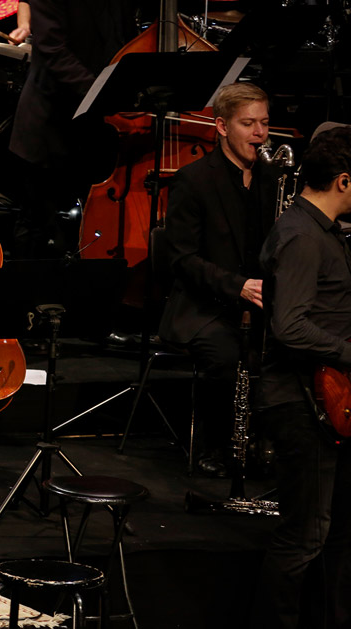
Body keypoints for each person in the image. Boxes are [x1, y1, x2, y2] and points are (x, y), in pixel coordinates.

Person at [253, 124, 351, 629]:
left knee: (334, 533)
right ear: (343, 182)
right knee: (304, 535)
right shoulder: (300, 236)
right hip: (300, 402)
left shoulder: (323, 233)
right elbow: (290, 326)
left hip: (327, 398)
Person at [158, 82, 280, 476]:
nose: (260, 133)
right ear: (222, 126)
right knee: (228, 358)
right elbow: (181, 259)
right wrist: (237, 286)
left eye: (263, 123)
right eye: (249, 124)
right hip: (204, 305)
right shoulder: (193, 180)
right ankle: (219, 445)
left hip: (261, 303)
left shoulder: (273, 178)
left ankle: (271, 442)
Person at [7, 0, 137, 258]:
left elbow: (126, 40)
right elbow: (52, 50)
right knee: (39, 224)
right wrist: (104, 94)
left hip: (98, 125)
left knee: (88, 225)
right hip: (50, 124)